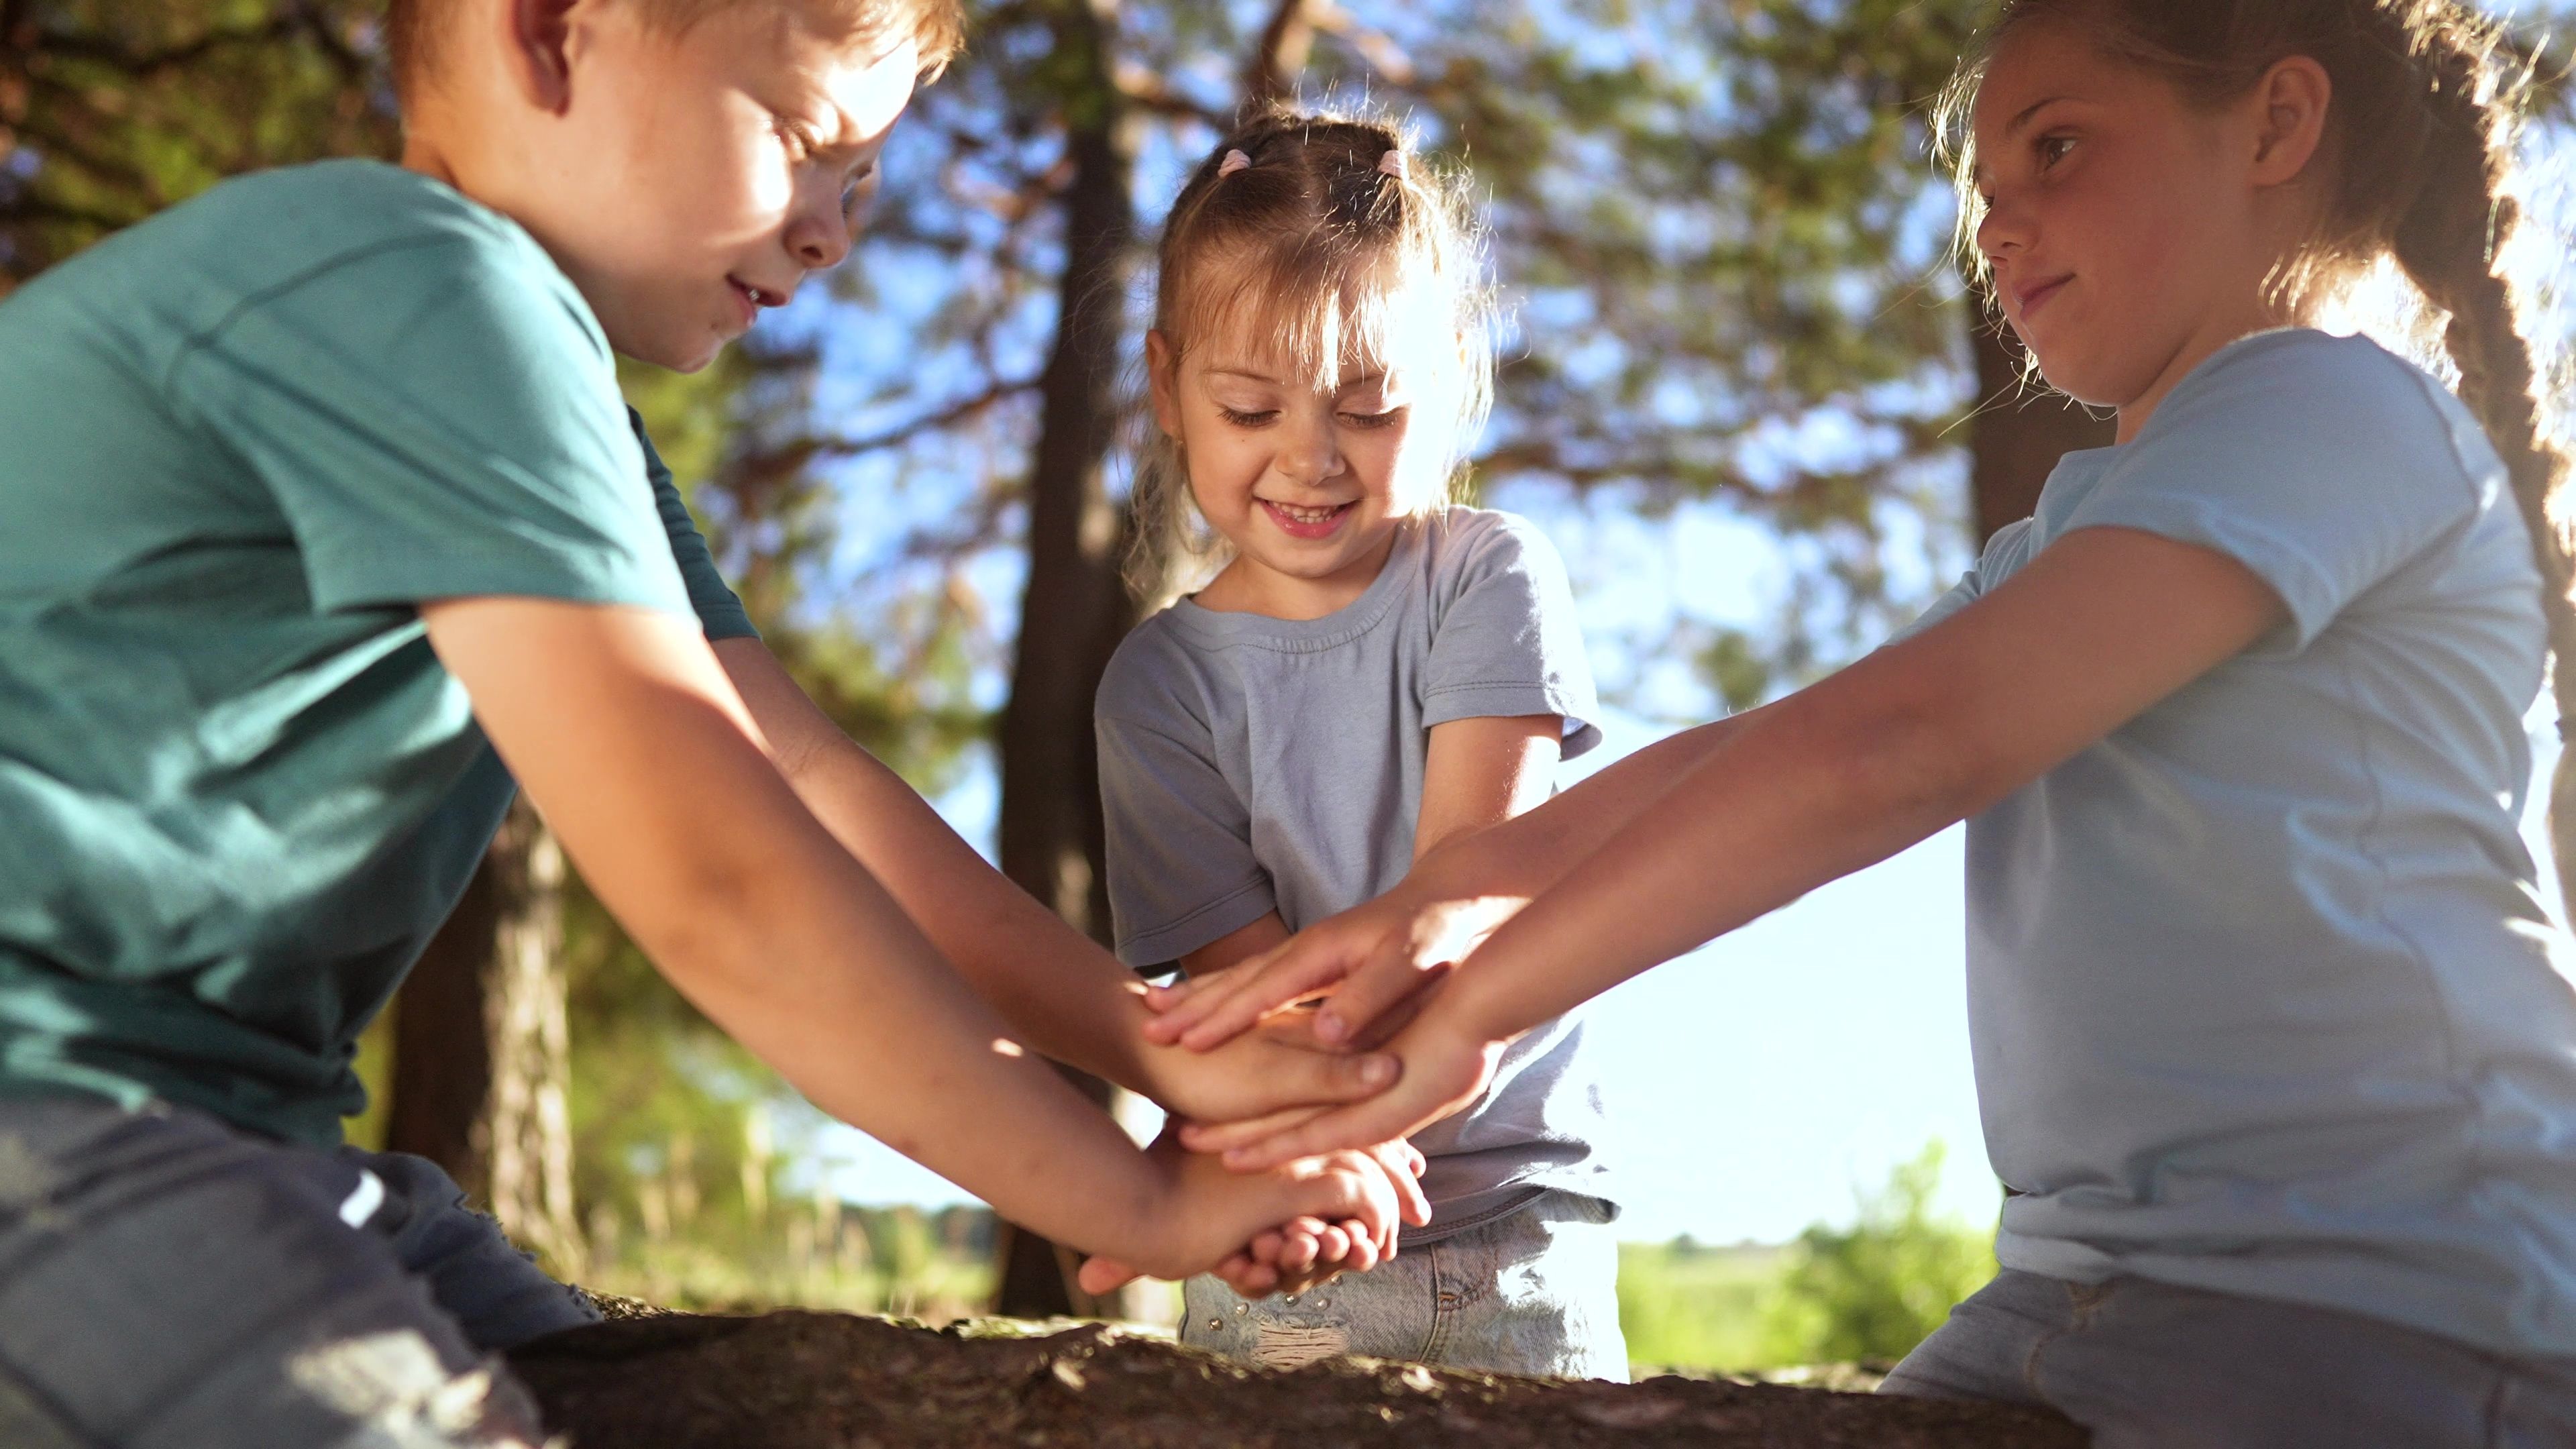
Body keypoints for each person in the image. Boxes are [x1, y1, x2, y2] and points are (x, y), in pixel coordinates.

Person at [1142, 1, 2576, 1441]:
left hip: (2395, 1297)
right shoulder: (2062, 544)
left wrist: (1467, 1019)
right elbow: (1757, 749)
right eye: (1985, 193)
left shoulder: (2332, 409)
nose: (1998, 231)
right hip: (2091, 1290)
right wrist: (1447, 907)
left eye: (2059, 149)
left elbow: (1896, 752)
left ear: (2275, 124)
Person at [0, 1, 1423, 1444]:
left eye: (864, 185)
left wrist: (1161, 1050)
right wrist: (1135, 1199)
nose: (833, 233)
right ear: (554, 34)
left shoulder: (557, 411)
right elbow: (722, 877)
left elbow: (804, 783)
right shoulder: (412, 281)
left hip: (246, 1141)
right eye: (810, 144)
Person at [1090, 106, 1623, 1379]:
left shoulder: (1487, 577)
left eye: (1371, 408)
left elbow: (1465, 897)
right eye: (1250, 407)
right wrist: (1308, 1158)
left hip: (1510, 1225)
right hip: (1286, 1216)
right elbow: (1256, 1005)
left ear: (1446, 379)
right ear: (1169, 390)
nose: (1311, 458)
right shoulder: (1158, 689)